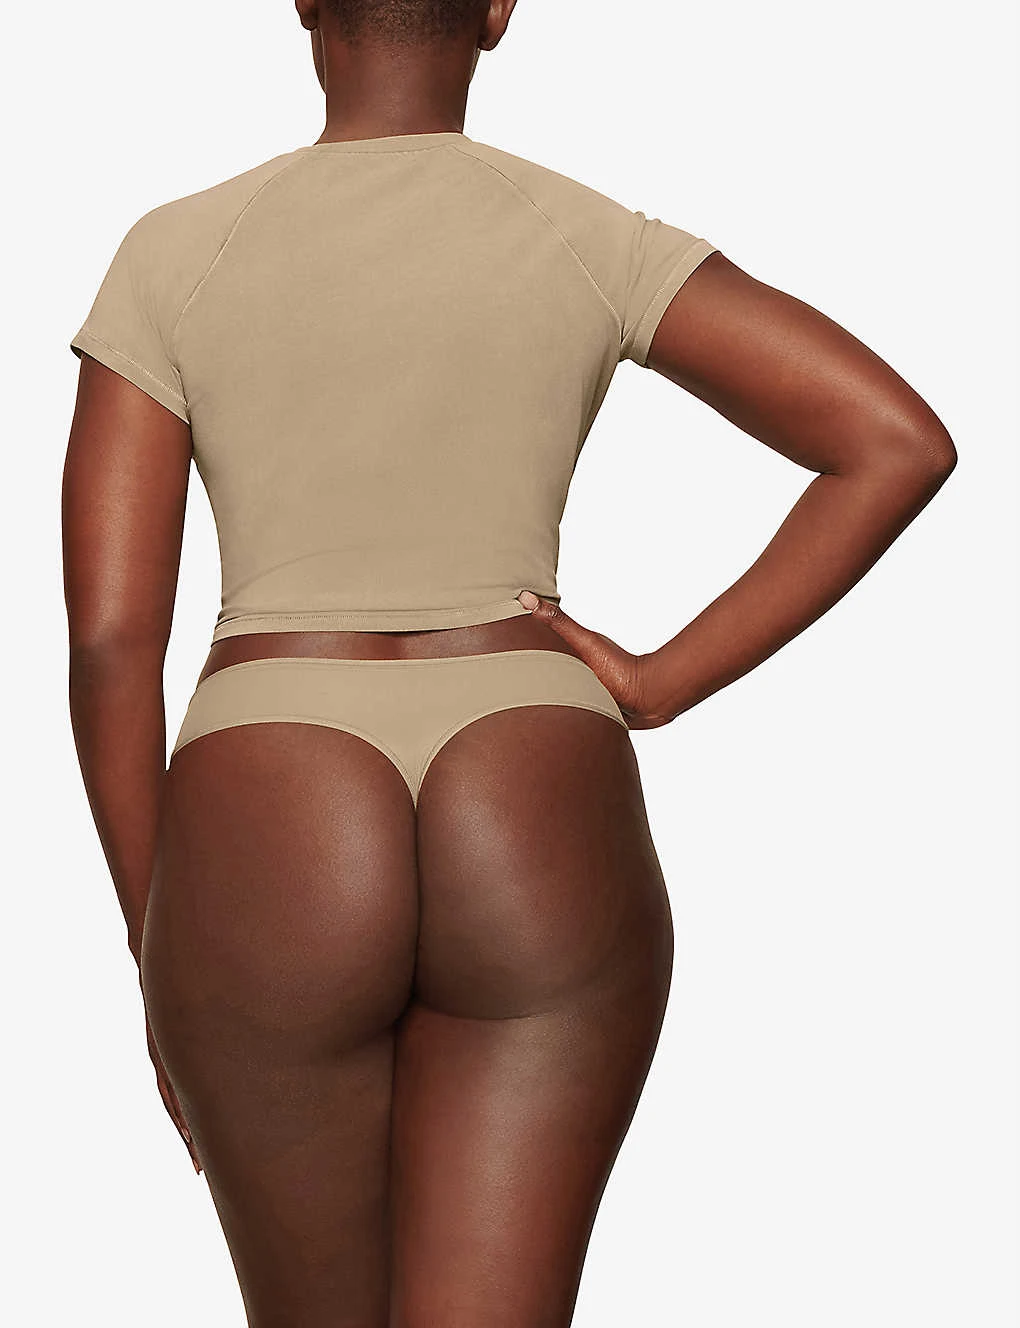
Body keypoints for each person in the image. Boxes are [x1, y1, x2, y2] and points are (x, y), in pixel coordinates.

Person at [61, 1, 957, 1324]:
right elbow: (893, 441)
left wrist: (159, 939)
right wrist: (655, 681)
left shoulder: (174, 251)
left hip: (274, 796)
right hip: (531, 777)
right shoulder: (584, 232)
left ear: (304, 2)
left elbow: (109, 645)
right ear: (497, 11)